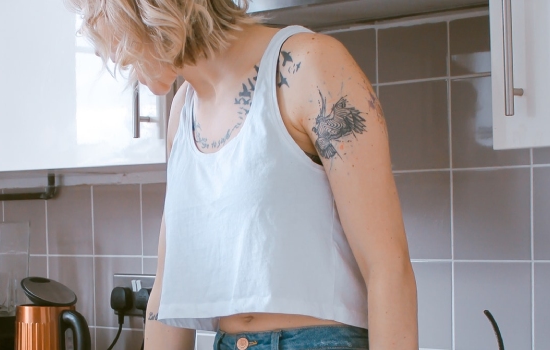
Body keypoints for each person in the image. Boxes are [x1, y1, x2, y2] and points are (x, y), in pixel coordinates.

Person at [68, 0, 417, 349]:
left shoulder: (309, 66)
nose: (110, 53)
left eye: (103, 18)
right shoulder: (182, 110)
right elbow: (165, 289)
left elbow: (387, 268)